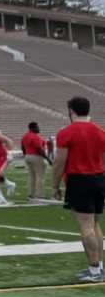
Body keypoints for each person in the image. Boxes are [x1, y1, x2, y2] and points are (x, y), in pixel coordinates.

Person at [51, 96, 105, 282]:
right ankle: (99, 267)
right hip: (99, 179)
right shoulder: (100, 131)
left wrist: (55, 185)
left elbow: (59, 162)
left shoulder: (67, 132)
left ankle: (94, 270)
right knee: (95, 224)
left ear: (71, 111)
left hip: (80, 180)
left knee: (86, 226)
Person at [21, 122, 52, 202]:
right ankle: (39, 195)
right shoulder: (35, 137)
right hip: (36, 157)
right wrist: (48, 159)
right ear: (32, 128)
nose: (39, 129)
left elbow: (22, 147)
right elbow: (39, 149)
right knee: (40, 177)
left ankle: (31, 194)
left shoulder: (25, 136)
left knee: (32, 176)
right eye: (37, 127)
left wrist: (26, 154)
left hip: (28, 156)